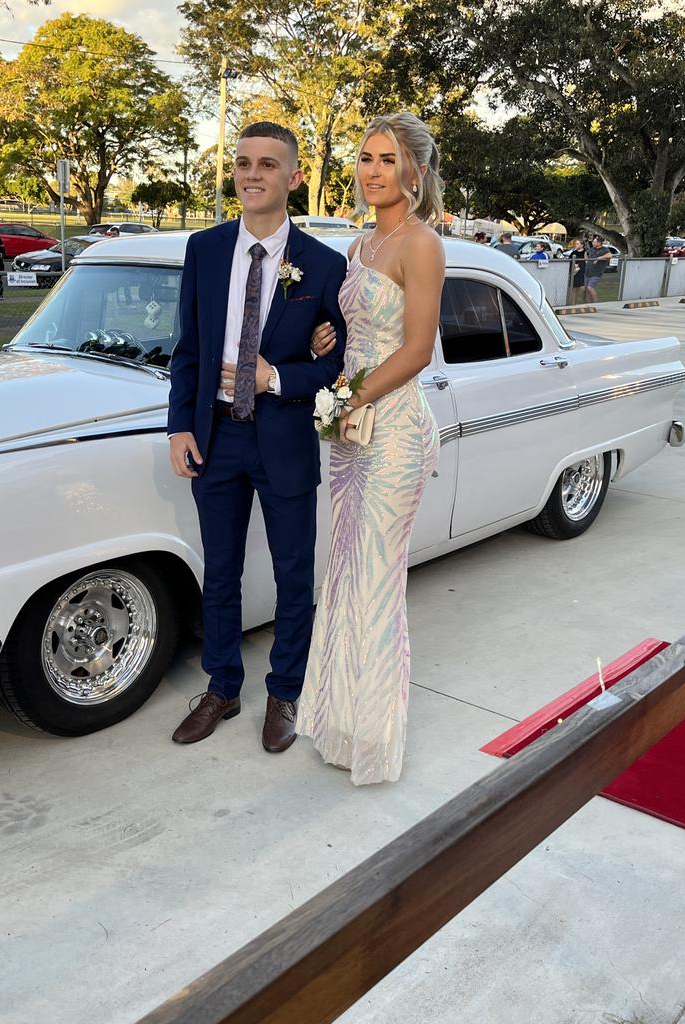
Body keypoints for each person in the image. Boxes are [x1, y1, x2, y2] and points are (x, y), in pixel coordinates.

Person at [168, 121, 348, 753]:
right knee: (219, 574)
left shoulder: (325, 266)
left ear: (294, 177)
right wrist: (180, 425)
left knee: (295, 574)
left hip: (283, 440)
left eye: (267, 164)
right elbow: (188, 347)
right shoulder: (205, 249)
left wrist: (278, 378)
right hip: (215, 438)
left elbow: (334, 365)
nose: (251, 174)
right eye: (243, 162)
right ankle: (221, 687)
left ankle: (285, 692)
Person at [297, 112, 445, 785]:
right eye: (365, 158)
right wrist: (328, 346)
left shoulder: (422, 246)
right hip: (348, 431)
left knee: (378, 577)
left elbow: (416, 349)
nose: (373, 171)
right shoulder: (356, 247)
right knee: (346, 570)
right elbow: (349, 330)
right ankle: (337, 722)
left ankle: (374, 741)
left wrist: (351, 397)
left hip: (392, 430)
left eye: (387, 160)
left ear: (413, 171)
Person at [584, 235, 612, 302]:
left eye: (594, 242)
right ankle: (588, 304)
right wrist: (586, 260)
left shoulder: (604, 250)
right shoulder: (591, 249)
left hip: (596, 273)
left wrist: (598, 258)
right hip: (587, 272)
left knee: (590, 287)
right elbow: (586, 253)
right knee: (586, 290)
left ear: (599, 243)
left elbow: (609, 255)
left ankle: (596, 303)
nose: (593, 243)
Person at [564, 237, 588, 303]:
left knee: (581, 287)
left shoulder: (585, 252)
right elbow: (569, 260)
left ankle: (580, 301)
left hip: (581, 272)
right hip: (574, 272)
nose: (576, 245)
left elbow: (586, 261)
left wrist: (579, 264)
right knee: (573, 288)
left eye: (578, 244)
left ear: (582, 245)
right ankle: (573, 303)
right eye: (576, 244)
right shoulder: (573, 252)